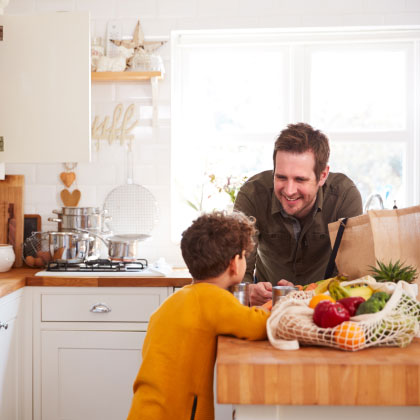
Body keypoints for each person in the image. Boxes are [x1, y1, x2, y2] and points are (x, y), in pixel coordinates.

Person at [126, 211, 269, 420]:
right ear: (234, 263)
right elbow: (257, 325)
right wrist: (275, 305)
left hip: (144, 410)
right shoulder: (213, 298)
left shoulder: (174, 301)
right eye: (244, 256)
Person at [234, 122, 363, 306]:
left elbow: (349, 276)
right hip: (264, 308)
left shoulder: (344, 197)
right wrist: (247, 291)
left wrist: (304, 294)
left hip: (323, 306)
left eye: (300, 179)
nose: (289, 190)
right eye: (281, 177)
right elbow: (237, 266)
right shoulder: (252, 194)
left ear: (323, 175)